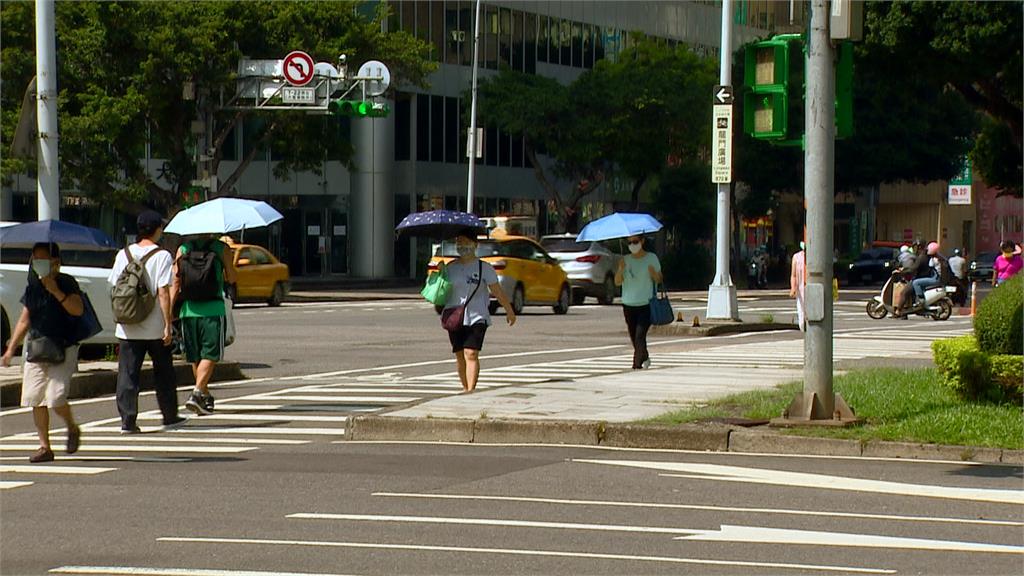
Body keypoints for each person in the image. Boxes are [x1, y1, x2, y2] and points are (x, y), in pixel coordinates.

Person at [1, 243, 84, 463]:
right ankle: (44, 446)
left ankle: (72, 427)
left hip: (63, 347)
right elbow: (24, 319)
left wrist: (55, 290)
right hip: (37, 348)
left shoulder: (66, 282)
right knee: (34, 398)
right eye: (34, 259)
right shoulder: (33, 286)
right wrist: (11, 349)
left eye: (42, 259)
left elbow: (77, 309)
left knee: (56, 398)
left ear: (55, 261)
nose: (37, 263)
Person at [108, 210, 186, 433]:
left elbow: (114, 286)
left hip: (127, 326)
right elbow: (163, 291)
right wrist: (167, 323)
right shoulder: (161, 256)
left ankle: (127, 421)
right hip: (154, 328)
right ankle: (170, 416)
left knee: (128, 374)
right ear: (157, 230)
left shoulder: (123, 254)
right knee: (164, 373)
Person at [441, 232, 516, 392]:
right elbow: (438, 292)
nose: (462, 246)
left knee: (471, 353)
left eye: (466, 242)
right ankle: (465, 387)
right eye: (458, 242)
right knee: (460, 355)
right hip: (455, 317)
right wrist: (438, 275)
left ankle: (471, 391)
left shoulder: (484, 268)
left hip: (477, 317)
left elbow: (497, 291)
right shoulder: (450, 267)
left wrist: (509, 310)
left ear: (475, 245)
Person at [171, 234, 236, 415]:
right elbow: (232, 277)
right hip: (213, 309)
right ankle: (197, 392)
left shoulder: (183, 250)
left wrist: (168, 312)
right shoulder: (221, 248)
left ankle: (204, 397)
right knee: (211, 353)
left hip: (188, 310)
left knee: (195, 355)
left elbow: (175, 283)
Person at [615, 234, 663, 369]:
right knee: (633, 336)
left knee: (640, 335)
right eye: (629, 242)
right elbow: (617, 282)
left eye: (635, 241)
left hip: (646, 304)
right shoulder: (625, 260)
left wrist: (653, 273)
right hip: (628, 304)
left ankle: (636, 364)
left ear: (642, 241)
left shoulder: (651, 258)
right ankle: (644, 355)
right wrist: (621, 269)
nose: (632, 245)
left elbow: (659, 279)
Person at [789, 242, 806, 331]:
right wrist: (793, 288)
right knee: (802, 320)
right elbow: (793, 275)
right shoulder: (796, 257)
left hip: (813, 292)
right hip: (801, 291)